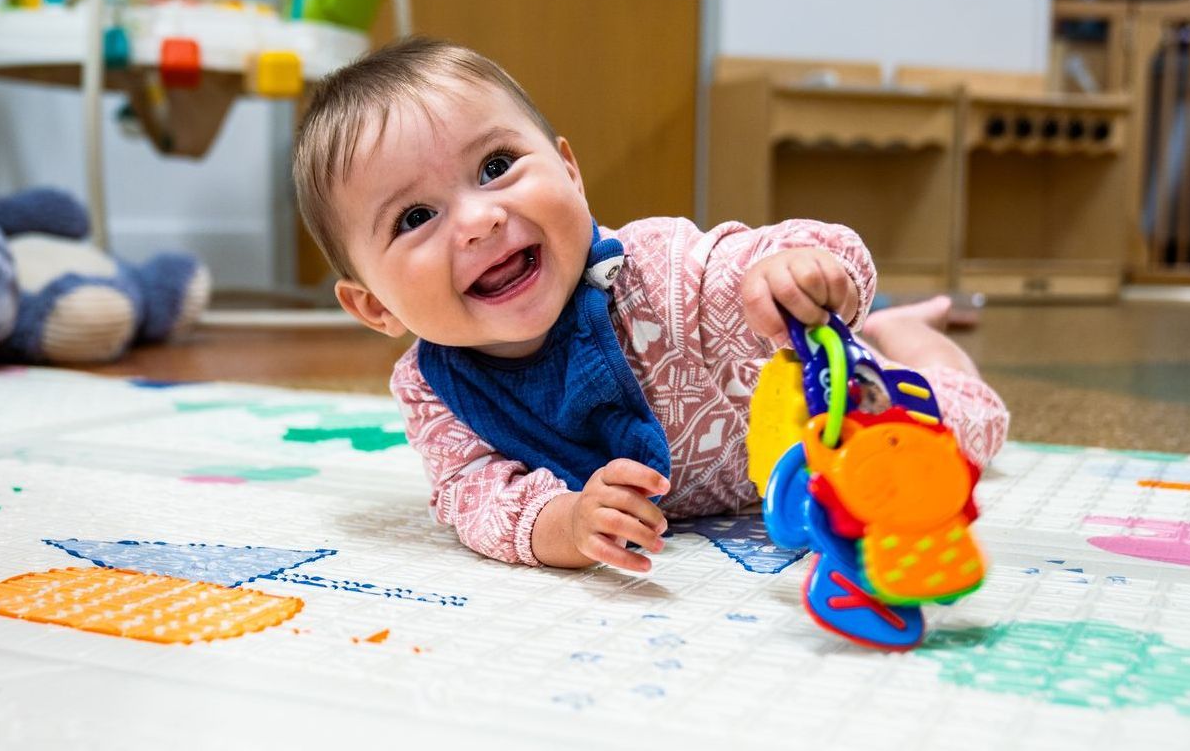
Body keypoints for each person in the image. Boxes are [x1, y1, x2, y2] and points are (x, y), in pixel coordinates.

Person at [294, 38, 1008, 573]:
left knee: (965, 433)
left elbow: (762, 255)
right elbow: (472, 495)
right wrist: (565, 523)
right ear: (373, 307)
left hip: (819, 421)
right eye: (415, 217)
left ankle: (913, 337)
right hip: (718, 490)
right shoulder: (434, 390)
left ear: (569, 173)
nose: (479, 219)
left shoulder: (656, 272)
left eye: (495, 167)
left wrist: (798, 273)